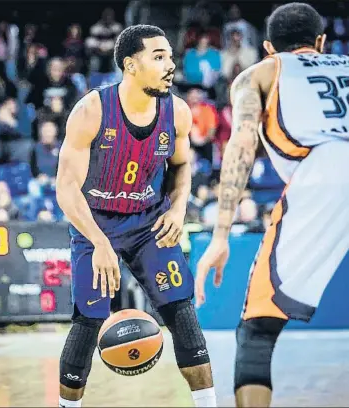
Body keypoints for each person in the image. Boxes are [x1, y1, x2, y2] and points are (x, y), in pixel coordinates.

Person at [195, 3, 349, 407]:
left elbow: (241, 145)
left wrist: (221, 234)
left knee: (257, 331)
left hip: (327, 169)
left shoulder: (260, 73)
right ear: (321, 42)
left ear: (267, 47)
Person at [56, 25, 217, 408]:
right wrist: (98, 242)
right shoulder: (92, 110)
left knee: (180, 310)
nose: (170, 64)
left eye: (170, 57)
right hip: (96, 223)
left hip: (148, 223)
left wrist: (178, 209)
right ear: (131, 65)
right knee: (89, 319)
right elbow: (65, 189)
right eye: (158, 57)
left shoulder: (177, 111)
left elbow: (181, 167)